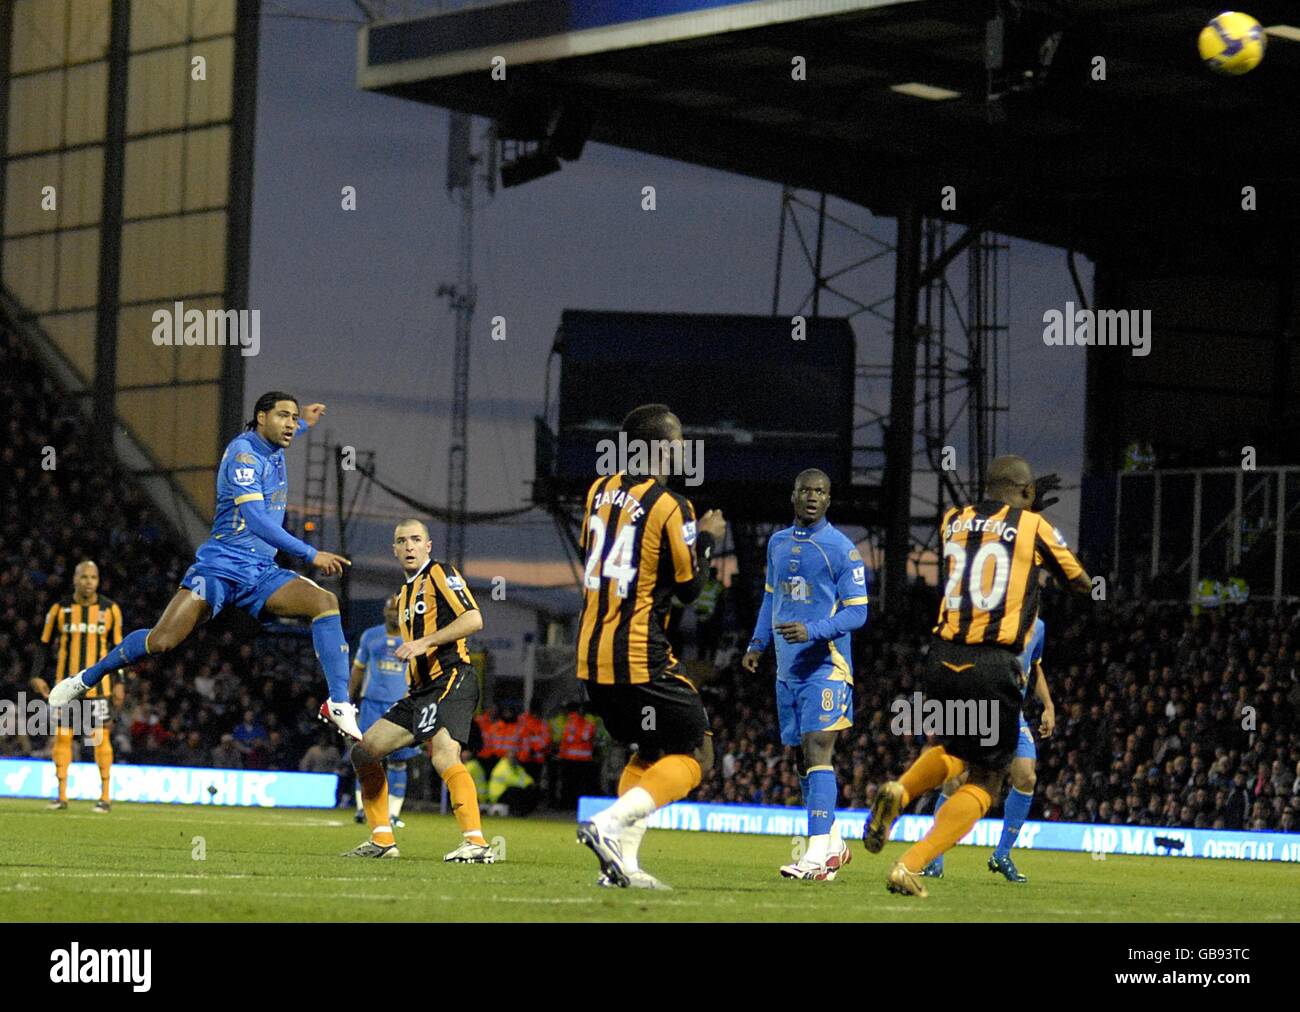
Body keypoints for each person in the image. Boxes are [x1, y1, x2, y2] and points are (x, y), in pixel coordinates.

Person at [49, 393, 361, 740]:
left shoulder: (274, 442)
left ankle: (338, 703)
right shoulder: (244, 454)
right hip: (219, 569)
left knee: (325, 603)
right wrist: (309, 553)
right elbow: (256, 519)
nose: (289, 425)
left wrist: (304, 421)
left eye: (292, 418)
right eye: (283, 417)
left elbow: (288, 431)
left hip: (261, 573)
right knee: (162, 641)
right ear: (261, 418)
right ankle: (86, 678)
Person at [863, 457, 1090, 897]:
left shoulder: (953, 520)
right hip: (992, 663)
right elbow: (1079, 580)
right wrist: (1035, 520)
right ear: (1026, 493)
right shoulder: (1032, 525)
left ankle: (901, 788)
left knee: (953, 749)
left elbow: (990, 542)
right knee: (987, 778)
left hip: (944, 656)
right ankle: (909, 865)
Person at [575, 403, 726, 890]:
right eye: (678, 439)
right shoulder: (671, 505)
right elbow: (688, 588)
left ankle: (624, 866)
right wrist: (704, 539)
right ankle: (609, 824)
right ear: (661, 447)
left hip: (590, 657)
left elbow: (597, 556)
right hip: (638, 654)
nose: (684, 448)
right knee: (697, 753)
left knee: (648, 747)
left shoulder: (598, 491)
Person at [743, 469, 869, 880]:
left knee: (818, 751)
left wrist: (812, 631)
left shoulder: (842, 549)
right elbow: (770, 598)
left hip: (826, 667)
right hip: (787, 669)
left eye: (820, 491)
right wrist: (757, 644)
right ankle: (833, 846)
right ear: (793, 495)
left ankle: (814, 858)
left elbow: (858, 611)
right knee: (801, 759)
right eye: (805, 491)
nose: (812, 497)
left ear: (829, 499)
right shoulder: (777, 544)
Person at [344, 519, 494, 862]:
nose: (409, 546)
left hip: (453, 677)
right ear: (394, 550)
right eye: (402, 541)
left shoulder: (440, 572)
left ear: (428, 546)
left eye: (415, 539)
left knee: (443, 754)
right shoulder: (405, 593)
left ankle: (476, 843)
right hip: (421, 692)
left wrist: (425, 642)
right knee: (364, 752)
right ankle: (382, 840)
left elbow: (473, 619)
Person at [924, 616, 1056, 882]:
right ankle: (934, 854)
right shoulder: (991, 620)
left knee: (1026, 776)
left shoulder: (1039, 626)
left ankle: (1002, 854)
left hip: (1010, 715)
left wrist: (1048, 705)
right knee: (955, 782)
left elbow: (1035, 665)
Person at [31, 559, 126, 812]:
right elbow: (43, 646)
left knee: (99, 737)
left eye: (93, 577)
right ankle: (61, 796)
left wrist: (120, 681)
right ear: (74, 579)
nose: (88, 582)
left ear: (98, 581)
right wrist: (36, 674)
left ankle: (105, 797)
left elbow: (119, 650)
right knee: (62, 737)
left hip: (100, 688)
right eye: (84, 577)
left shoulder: (111, 610)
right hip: (67, 687)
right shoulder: (60, 609)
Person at [349, 595, 419, 829]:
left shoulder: (413, 637)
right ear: (384, 612)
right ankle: (362, 808)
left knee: (399, 761)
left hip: (401, 704)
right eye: (390, 610)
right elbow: (358, 669)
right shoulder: (370, 636)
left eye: (397, 610)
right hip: (372, 703)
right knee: (367, 756)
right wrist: (348, 697)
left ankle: (393, 813)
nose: (393, 614)